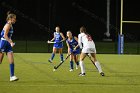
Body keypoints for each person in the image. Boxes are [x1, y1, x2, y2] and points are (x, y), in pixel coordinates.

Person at [0, 11, 19, 81]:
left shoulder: (11, 25)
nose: (15, 20)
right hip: (3, 43)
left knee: (12, 61)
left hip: (8, 44)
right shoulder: (8, 25)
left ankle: (12, 76)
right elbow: (5, 36)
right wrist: (11, 42)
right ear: (10, 18)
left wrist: (11, 42)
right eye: (14, 18)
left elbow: (8, 36)